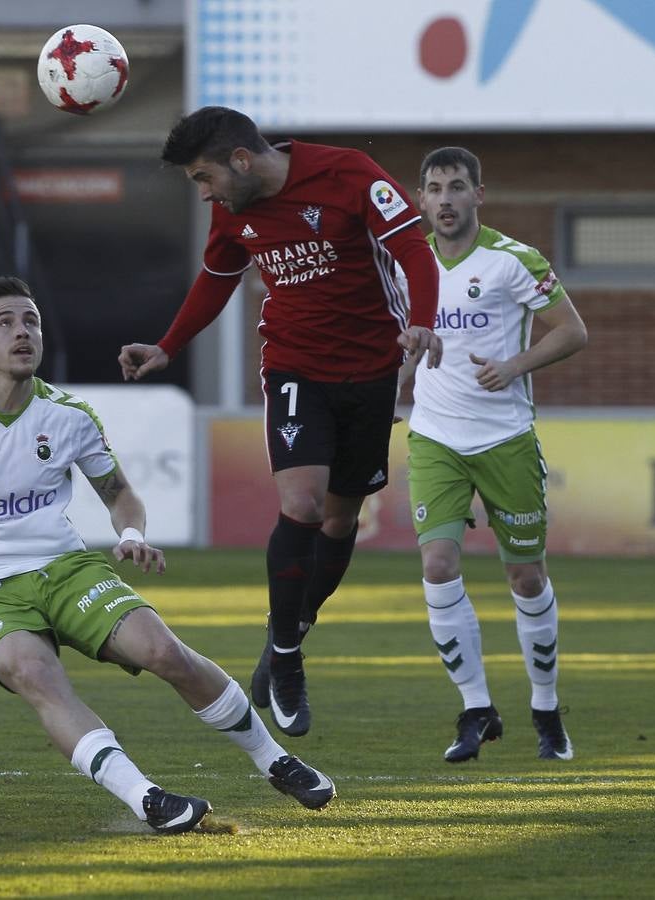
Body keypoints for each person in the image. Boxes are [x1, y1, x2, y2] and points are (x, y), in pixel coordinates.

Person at [0, 276, 336, 835]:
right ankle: (148, 800)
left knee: (164, 651)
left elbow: (119, 495)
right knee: (34, 673)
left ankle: (275, 760)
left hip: (67, 569)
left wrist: (132, 531)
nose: (23, 332)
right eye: (6, 322)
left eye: (32, 321)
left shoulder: (69, 416)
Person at [118, 107, 441, 738]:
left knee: (343, 517)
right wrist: (168, 346)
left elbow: (413, 250)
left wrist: (423, 319)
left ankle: (287, 629)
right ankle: (288, 662)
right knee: (302, 504)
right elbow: (217, 277)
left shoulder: (350, 174)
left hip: (373, 369)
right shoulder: (233, 210)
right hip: (295, 368)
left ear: (241, 160)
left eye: (203, 177)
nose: (205, 192)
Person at [403, 147, 588, 762]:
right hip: (434, 438)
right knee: (436, 566)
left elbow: (571, 330)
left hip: (504, 439)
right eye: (434, 188)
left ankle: (545, 707)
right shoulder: (406, 262)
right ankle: (476, 709)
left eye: (457, 187)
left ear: (479, 195)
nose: (446, 199)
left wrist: (513, 366)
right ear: (422, 198)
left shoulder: (514, 261)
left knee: (526, 576)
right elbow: (397, 338)